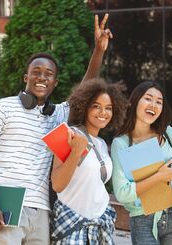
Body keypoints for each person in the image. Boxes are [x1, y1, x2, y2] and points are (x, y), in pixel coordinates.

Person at [0, 13, 113, 244]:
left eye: (48, 74)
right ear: (26, 77)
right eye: (36, 72)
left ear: (55, 83)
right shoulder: (0, 107)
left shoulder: (58, 115)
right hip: (5, 204)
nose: (42, 77)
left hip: (41, 210)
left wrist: (99, 50)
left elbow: (86, 88)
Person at [111, 81, 172, 245]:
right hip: (143, 219)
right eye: (148, 98)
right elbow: (122, 192)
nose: (153, 105)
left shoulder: (167, 133)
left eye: (159, 102)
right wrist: (159, 177)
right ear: (135, 101)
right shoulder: (122, 143)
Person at [50, 79, 127, 244]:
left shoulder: (100, 144)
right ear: (84, 106)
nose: (103, 112)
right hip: (73, 226)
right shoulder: (69, 135)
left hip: (99, 226)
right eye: (96, 106)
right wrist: (76, 151)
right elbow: (57, 184)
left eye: (108, 108)